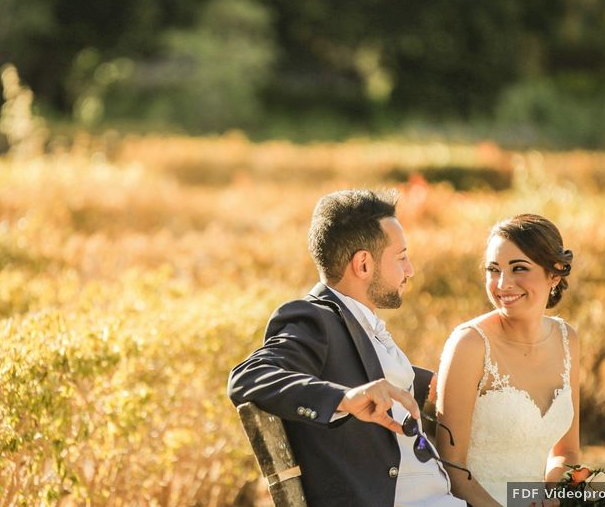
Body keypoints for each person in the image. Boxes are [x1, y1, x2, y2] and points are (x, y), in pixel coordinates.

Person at [228, 189, 466, 506]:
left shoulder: (359, 323)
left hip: (444, 496)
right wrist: (343, 398)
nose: (410, 270)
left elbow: (387, 379)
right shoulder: (313, 320)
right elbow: (249, 376)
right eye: (401, 257)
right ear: (364, 264)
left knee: (538, 492)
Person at [436, 214, 580, 507]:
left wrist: (560, 496)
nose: (503, 284)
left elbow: (567, 454)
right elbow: (453, 470)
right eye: (493, 269)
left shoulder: (568, 340)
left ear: (555, 274)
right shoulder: (470, 344)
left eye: (519, 268)